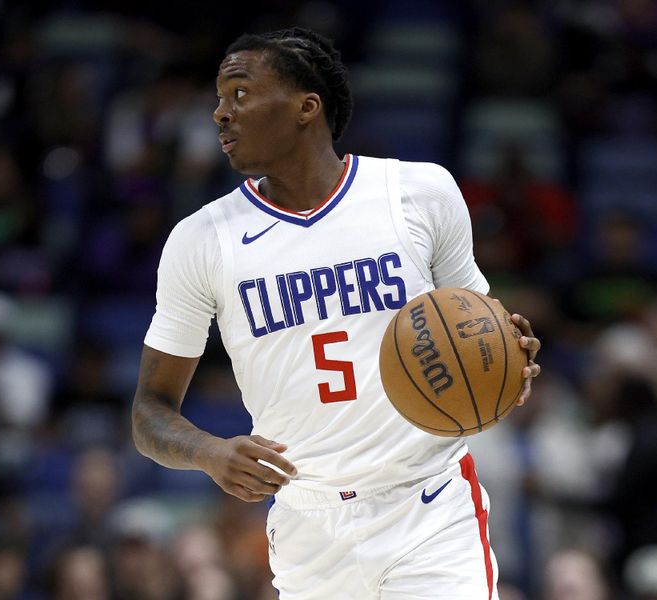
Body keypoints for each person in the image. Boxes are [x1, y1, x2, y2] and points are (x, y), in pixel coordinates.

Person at [131, 27, 541, 599]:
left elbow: (479, 328)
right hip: (308, 523)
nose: (221, 114)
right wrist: (209, 452)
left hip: (427, 503)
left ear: (306, 106)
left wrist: (507, 359)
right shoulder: (200, 241)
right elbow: (149, 411)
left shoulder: (419, 193)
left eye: (241, 93)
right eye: (219, 99)